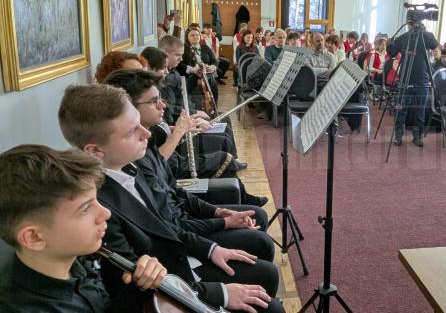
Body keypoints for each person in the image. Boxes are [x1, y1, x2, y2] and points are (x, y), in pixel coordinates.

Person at [57, 84, 284, 312]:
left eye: (139, 124)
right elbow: (137, 283)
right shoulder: (97, 207)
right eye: (131, 131)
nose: (146, 133)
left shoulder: (131, 167)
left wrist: (212, 249)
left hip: (181, 263)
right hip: (168, 289)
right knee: (270, 301)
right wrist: (220, 293)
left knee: (266, 276)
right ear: (95, 151)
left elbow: (168, 227)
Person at [103, 70, 273, 258]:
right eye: (153, 101)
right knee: (261, 241)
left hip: (187, 220)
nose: (162, 105)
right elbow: (172, 226)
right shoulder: (134, 162)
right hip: (185, 233)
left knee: (258, 217)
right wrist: (222, 223)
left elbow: (175, 191)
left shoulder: (148, 143)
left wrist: (218, 212)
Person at [0, 144, 167, 312]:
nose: (106, 213)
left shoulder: (77, 259)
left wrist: (138, 289)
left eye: (97, 200)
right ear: (34, 237)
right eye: (85, 208)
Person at [387, 20, 439, 147]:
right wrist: (389, 45)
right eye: (411, 23)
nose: (413, 25)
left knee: (420, 110)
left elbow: (433, 43)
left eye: (415, 23)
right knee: (400, 109)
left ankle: (417, 136)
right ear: (408, 24)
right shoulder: (404, 37)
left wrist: (423, 31)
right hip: (405, 79)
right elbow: (392, 53)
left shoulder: (424, 37)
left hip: (422, 79)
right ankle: (398, 136)